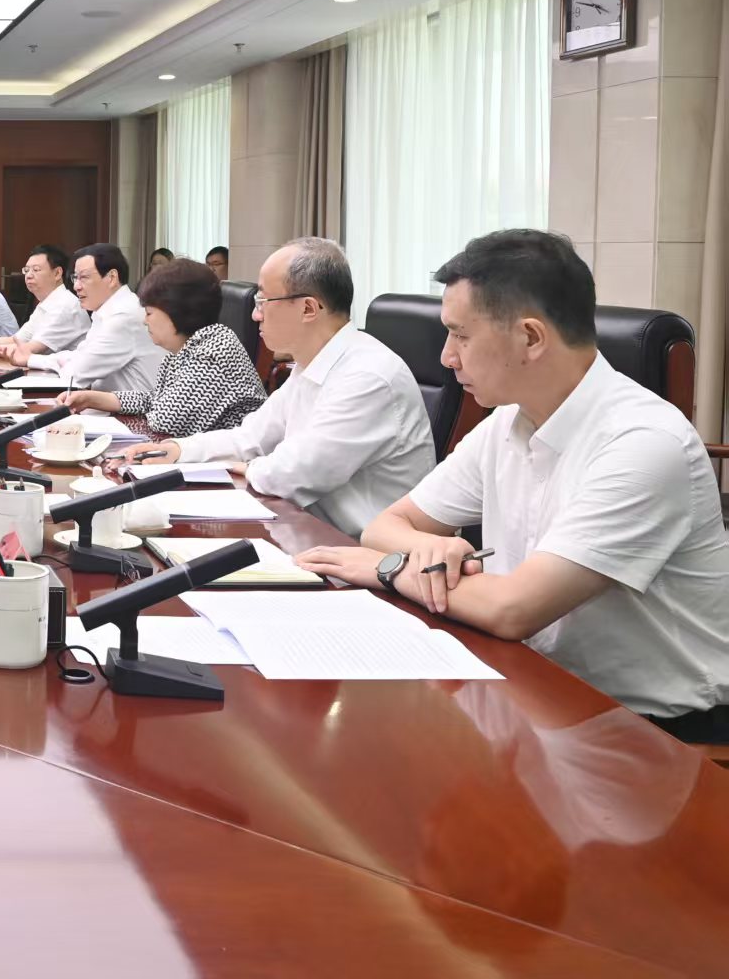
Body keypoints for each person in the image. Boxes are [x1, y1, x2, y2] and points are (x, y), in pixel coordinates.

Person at [299, 230, 729, 742]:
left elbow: (513, 609)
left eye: (460, 336)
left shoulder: (644, 444)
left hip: (654, 732)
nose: (447, 357)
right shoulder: (508, 420)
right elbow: (387, 525)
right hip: (536, 691)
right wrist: (424, 549)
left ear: (530, 338)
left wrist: (389, 568)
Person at [110, 237, 433, 536]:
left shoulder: (368, 376)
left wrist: (239, 467)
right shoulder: (311, 365)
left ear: (308, 308)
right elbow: (251, 436)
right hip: (302, 527)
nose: (255, 315)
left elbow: (292, 474)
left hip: (356, 551)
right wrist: (179, 450)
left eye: (264, 301)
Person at [59, 257, 266, 434]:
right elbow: (154, 399)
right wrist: (91, 399)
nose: (144, 321)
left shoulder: (214, 350)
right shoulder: (185, 347)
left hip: (230, 463)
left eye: (149, 313)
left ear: (177, 312)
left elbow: (165, 420)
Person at [14, 243, 162, 395]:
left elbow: (76, 373)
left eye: (84, 277)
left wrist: (32, 359)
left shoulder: (123, 316)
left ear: (112, 278)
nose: (76, 286)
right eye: (75, 278)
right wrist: (32, 359)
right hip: (107, 403)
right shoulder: (106, 311)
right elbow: (81, 355)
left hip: (132, 409)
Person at [0, 245, 88, 359]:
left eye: (36, 270)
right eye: (26, 270)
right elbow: (16, 340)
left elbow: (29, 349)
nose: (28, 275)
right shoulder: (46, 303)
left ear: (57, 273)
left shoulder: (65, 305)